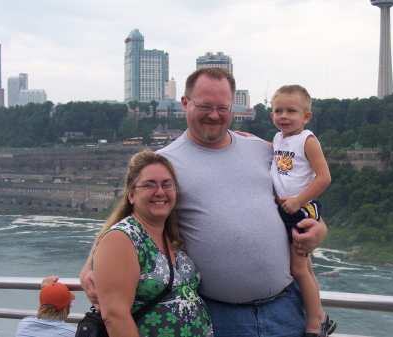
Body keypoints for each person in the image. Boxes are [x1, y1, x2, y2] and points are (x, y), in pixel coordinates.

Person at [81, 67, 328, 337]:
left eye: (223, 108)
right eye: (205, 106)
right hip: (218, 317)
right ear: (185, 103)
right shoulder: (165, 163)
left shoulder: (263, 150)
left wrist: (320, 229)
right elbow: (129, 219)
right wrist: (89, 266)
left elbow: (294, 195)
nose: (214, 115)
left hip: (287, 309)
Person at [80, 149, 213, 337]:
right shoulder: (121, 238)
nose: (160, 192)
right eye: (149, 185)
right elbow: (115, 317)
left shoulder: (170, 236)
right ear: (131, 195)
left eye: (167, 185)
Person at [270, 84, 334, 336]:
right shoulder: (278, 138)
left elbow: (324, 177)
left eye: (291, 111)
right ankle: (320, 315)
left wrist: (298, 200)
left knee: (297, 269)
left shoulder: (307, 140)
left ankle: (313, 325)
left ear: (306, 116)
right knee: (305, 267)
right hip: (289, 208)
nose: (284, 116)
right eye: (278, 111)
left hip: (301, 209)